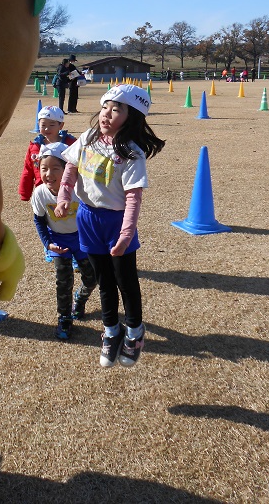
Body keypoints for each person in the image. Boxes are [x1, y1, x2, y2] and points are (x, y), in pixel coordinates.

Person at [55, 84, 165, 368]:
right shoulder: (90, 137)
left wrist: (127, 234)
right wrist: (65, 195)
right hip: (88, 219)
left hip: (116, 223)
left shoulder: (132, 153)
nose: (106, 114)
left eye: (116, 110)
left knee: (125, 282)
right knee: (103, 281)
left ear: (132, 117)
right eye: (105, 107)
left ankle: (134, 331)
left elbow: (133, 197)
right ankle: (111, 330)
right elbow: (71, 165)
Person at [31, 143, 96, 340]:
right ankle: (64, 318)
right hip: (59, 241)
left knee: (92, 278)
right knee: (63, 281)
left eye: (55, 168)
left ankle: (81, 298)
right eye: (44, 168)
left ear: (66, 170)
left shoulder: (78, 189)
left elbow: (92, 213)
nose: (49, 174)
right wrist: (47, 243)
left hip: (82, 238)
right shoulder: (40, 193)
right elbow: (39, 220)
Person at [18, 106, 76, 201]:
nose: (47, 129)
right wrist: (25, 193)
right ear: (38, 124)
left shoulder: (71, 144)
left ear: (61, 125)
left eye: (52, 125)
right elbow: (28, 170)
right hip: (43, 193)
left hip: (68, 193)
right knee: (43, 214)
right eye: (43, 125)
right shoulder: (34, 147)